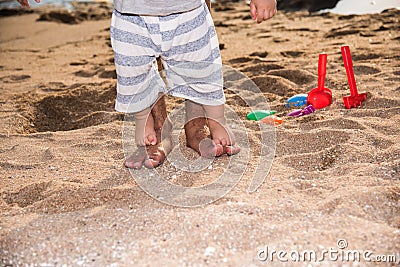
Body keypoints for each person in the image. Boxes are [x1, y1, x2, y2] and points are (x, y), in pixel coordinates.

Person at [17, 0, 277, 169]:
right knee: (135, 74)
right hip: (131, 15)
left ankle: (212, 122)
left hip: (188, 11)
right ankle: (149, 123)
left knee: (203, 70)